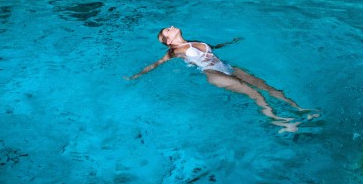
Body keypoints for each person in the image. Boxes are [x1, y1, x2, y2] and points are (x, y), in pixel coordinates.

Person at [128, 26, 316, 132]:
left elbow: (214, 47)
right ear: (168, 41)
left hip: (225, 66)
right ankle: (279, 121)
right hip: (213, 74)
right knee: (253, 92)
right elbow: (156, 64)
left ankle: (300, 110)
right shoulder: (174, 51)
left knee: (268, 87)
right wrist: (136, 76)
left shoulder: (194, 41)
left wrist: (232, 42)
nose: (169, 27)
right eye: (166, 31)